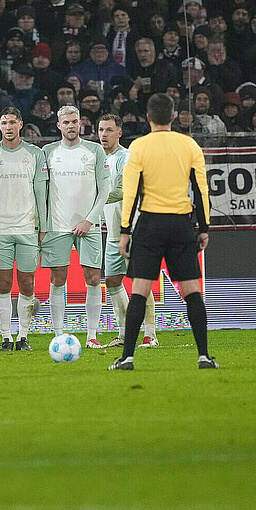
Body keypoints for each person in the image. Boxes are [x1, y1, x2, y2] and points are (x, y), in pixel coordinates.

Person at [112, 94, 216, 371]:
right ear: (172, 116)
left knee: (140, 291)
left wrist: (125, 231)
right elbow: (201, 189)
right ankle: (204, 356)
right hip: (181, 224)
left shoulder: (139, 147)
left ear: (148, 118)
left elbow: (131, 193)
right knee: (193, 291)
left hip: (150, 225)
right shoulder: (189, 144)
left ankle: (128, 358)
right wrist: (204, 228)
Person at [41, 105, 109, 346]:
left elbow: (104, 191)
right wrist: (42, 223)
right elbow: (42, 191)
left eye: (75, 122)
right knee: (58, 279)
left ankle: (92, 335)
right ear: (58, 125)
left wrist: (89, 220)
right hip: (57, 225)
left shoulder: (94, 151)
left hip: (89, 225)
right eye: (66, 122)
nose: (71, 126)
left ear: (80, 123)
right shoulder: (47, 152)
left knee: (93, 278)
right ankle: (59, 336)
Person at [0, 108, 47, 351]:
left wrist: (43, 225)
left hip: (27, 227)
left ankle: (23, 336)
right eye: (4, 123)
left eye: (12, 122)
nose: (8, 127)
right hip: (0, 228)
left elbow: (41, 193)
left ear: (20, 124)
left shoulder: (35, 154)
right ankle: (6, 337)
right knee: (2, 283)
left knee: (27, 282)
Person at [96, 114, 157, 349]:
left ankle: (150, 334)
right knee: (112, 281)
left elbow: (124, 190)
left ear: (119, 133)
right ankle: (123, 333)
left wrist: (93, 199)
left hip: (134, 229)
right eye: (101, 129)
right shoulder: (97, 158)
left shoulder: (126, 157)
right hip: (112, 232)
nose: (104, 134)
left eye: (109, 130)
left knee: (139, 281)